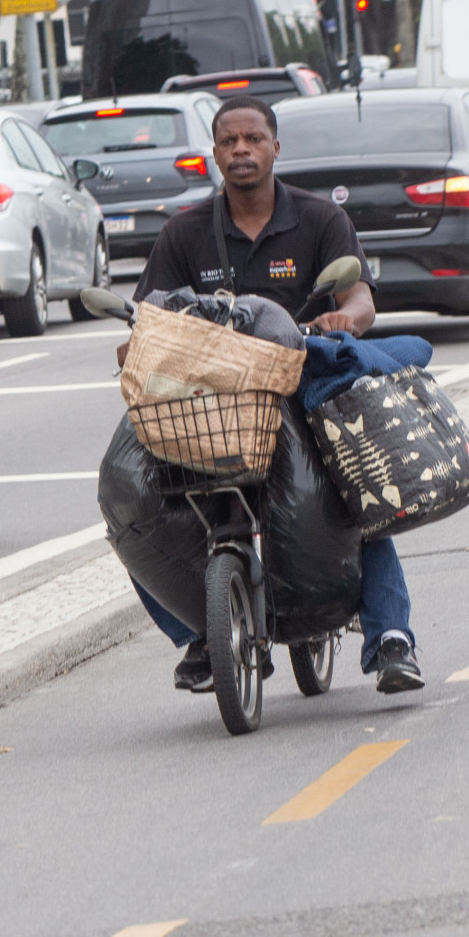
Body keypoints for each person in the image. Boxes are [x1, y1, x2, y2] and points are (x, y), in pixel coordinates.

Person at [126, 94, 424, 695]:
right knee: (134, 504)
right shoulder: (184, 232)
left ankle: (392, 638)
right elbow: (146, 316)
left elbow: (360, 296)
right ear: (214, 152)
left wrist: (347, 323)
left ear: (274, 147)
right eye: (229, 141)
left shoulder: (319, 219)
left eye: (253, 139)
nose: (241, 150)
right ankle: (198, 636)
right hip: (213, 406)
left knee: (355, 499)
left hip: (302, 392)